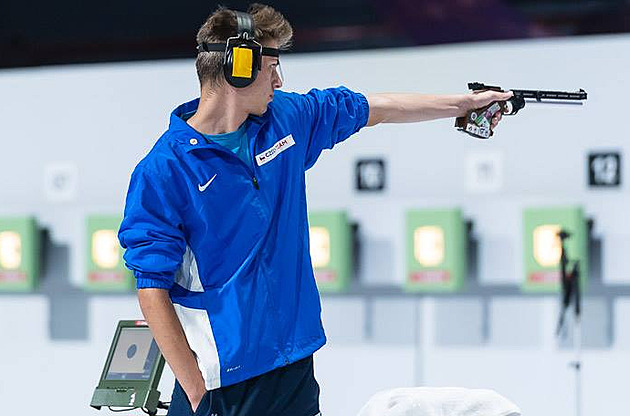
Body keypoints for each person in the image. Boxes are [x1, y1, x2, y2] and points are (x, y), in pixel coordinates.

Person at [118, 4, 512, 416]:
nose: (278, 79)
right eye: (272, 65)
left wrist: (462, 104)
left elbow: (375, 108)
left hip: (294, 367)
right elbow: (151, 291)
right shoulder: (164, 170)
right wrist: (197, 393)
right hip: (224, 382)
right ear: (240, 66)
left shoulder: (286, 119)